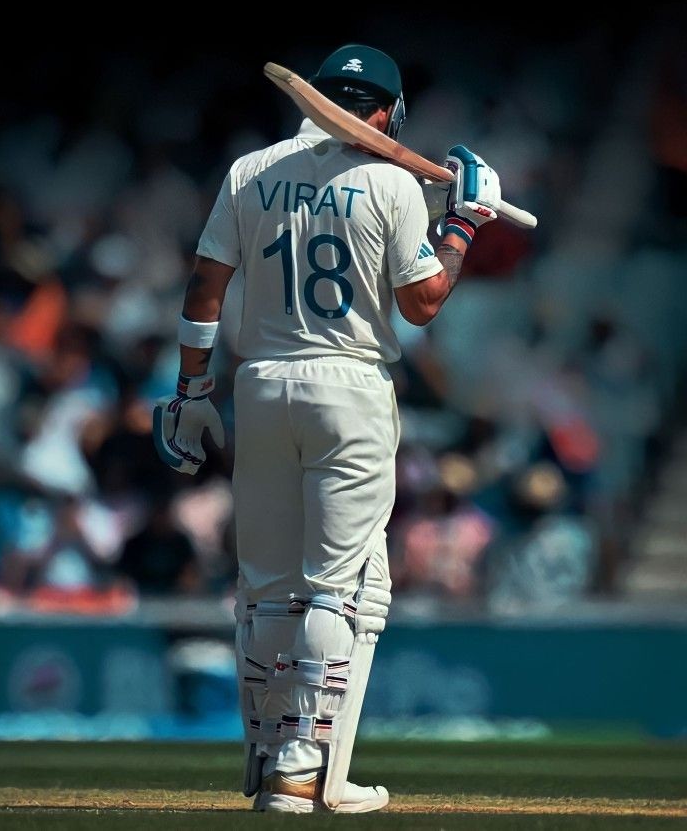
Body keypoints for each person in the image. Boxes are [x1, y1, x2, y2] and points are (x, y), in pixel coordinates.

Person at [153, 43, 503, 814]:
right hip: (349, 386)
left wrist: (190, 390)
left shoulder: (250, 170)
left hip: (263, 383)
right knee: (337, 589)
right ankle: (308, 768)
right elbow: (423, 303)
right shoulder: (390, 181)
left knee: (270, 590)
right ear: (392, 111)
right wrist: (465, 223)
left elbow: (205, 283)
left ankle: (270, 757)